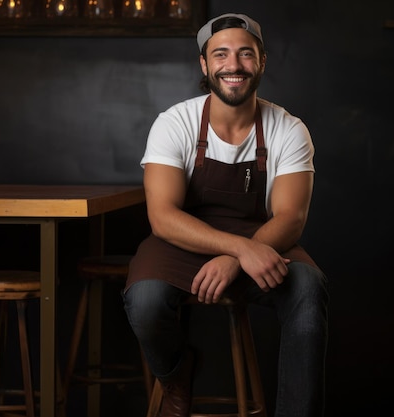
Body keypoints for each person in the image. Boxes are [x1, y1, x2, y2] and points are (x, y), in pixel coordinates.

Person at [123, 12, 328, 417]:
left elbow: (290, 218)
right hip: (181, 241)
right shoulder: (174, 123)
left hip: (263, 237)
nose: (233, 65)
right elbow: (163, 217)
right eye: (221, 55)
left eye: (245, 54)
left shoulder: (288, 129)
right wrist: (238, 250)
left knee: (308, 287)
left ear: (262, 61)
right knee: (145, 301)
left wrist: (241, 256)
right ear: (204, 64)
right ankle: (177, 374)